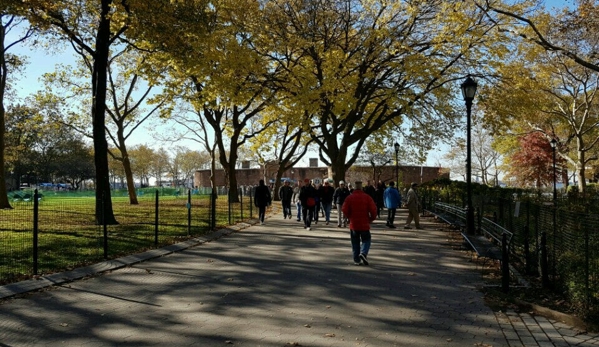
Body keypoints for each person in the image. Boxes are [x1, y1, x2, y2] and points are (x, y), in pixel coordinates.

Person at [342, 181, 377, 266]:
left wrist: (349, 217)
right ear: (362, 188)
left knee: (355, 242)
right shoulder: (367, 197)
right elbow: (373, 210)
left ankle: (356, 259)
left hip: (354, 223)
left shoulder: (349, 198)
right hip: (364, 222)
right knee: (366, 239)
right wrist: (371, 219)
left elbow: (344, 209)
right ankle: (363, 252)